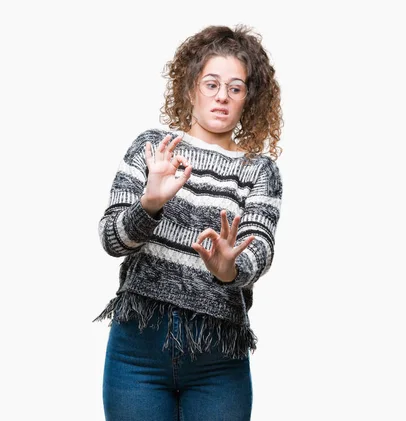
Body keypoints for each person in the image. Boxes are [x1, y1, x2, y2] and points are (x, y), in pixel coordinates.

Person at [94, 24, 283, 421]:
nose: (222, 97)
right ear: (191, 86)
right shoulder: (154, 149)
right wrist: (149, 205)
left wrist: (229, 267)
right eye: (211, 83)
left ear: (250, 98)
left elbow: (259, 248)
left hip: (218, 360)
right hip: (137, 353)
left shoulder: (260, 171)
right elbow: (112, 239)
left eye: (236, 88)